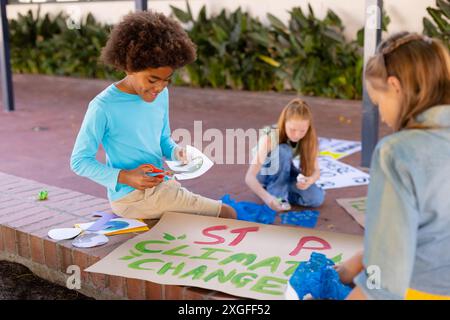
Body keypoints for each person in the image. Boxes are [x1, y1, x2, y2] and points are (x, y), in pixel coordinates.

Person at [70, 11, 236, 220]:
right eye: (152, 80)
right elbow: (79, 161)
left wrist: (177, 153)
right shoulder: (102, 107)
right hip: (132, 199)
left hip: (160, 186)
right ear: (129, 67)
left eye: (167, 79)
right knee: (228, 214)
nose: (160, 87)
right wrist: (125, 177)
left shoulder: (161, 94)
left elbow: (162, 139)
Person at [336, 32, 450, 300]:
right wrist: (358, 263)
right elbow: (431, 228)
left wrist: (365, 279)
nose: (384, 116)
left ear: (395, 85)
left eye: (378, 103)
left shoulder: (397, 152)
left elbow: (382, 282)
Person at [245, 99, 325, 212]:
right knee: (284, 150)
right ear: (284, 123)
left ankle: (276, 191)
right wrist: (268, 199)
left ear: (308, 127)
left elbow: (316, 171)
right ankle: (277, 196)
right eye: (292, 129)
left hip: (285, 170)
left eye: (302, 131)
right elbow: (249, 177)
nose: (297, 135)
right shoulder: (270, 137)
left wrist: (309, 180)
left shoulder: (309, 138)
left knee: (317, 198)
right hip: (264, 173)